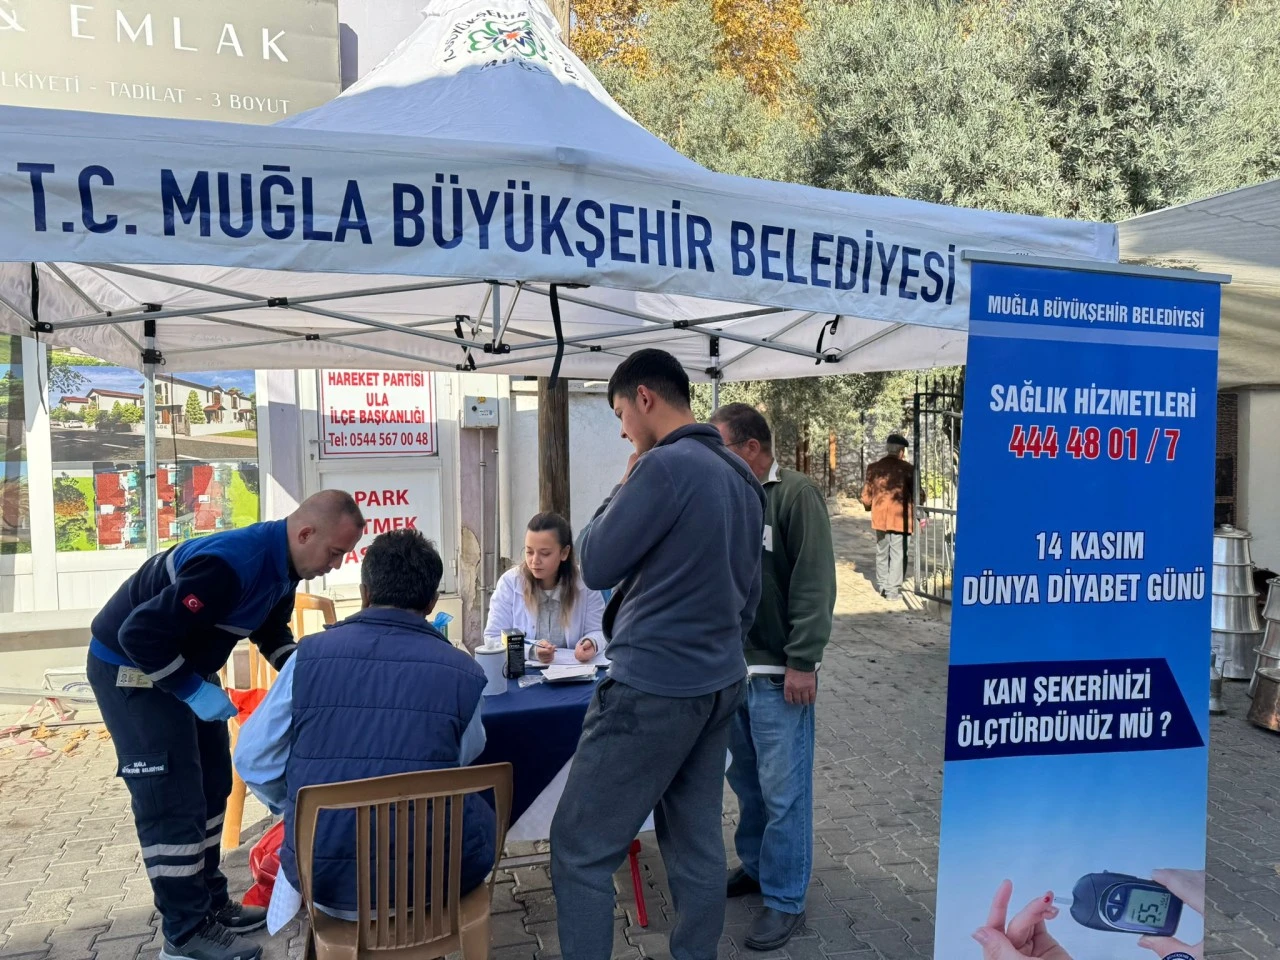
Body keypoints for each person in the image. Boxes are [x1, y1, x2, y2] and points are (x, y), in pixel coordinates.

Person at [550, 348, 765, 960]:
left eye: (620, 412)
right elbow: (748, 598)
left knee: (579, 848)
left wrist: (623, 484)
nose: (622, 430)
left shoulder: (662, 467)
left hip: (651, 689)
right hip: (719, 682)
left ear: (644, 398)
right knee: (696, 845)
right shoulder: (742, 477)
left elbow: (595, 563)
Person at [86, 491, 365, 960]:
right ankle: (184, 935)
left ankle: (210, 905)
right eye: (335, 553)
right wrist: (192, 691)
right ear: (305, 533)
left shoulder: (285, 568)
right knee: (172, 801)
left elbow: (270, 631)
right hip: (132, 671)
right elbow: (140, 635)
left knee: (213, 786)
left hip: (185, 669)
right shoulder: (230, 565)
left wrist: (307, 675)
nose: (335, 565)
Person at [234, 529, 495, 935]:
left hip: (324, 878)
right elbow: (463, 758)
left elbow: (252, 758)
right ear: (431, 602)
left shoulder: (306, 658)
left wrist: (301, 805)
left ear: (364, 593)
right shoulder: (465, 671)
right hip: (436, 878)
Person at [709, 403, 836, 951]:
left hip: (779, 673)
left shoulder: (795, 494)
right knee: (748, 785)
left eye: (721, 447)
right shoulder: (727, 495)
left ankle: (785, 900)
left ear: (752, 448)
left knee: (785, 793)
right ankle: (759, 868)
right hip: (731, 669)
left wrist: (803, 660)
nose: (713, 459)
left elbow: (814, 580)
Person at [484, 512, 605, 665]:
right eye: (529, 552)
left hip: (576, 673)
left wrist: (591, 643)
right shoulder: (510, 583)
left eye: (545, 553)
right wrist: (531, 651)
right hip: (524, 672)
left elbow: (599, 631)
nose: (534, 561)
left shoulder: (585, 583)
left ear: (564, 553)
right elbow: (493, 637)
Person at [860, 433, 915, 601]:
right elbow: (918, 494)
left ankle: (883, 586)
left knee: (882, 551)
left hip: (880, 518)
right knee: (898, 553)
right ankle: (892, 590)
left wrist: (869, 506)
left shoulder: (873, 468)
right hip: (900, 519)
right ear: (901, 451)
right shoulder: (908, 469)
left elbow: (866, 496)